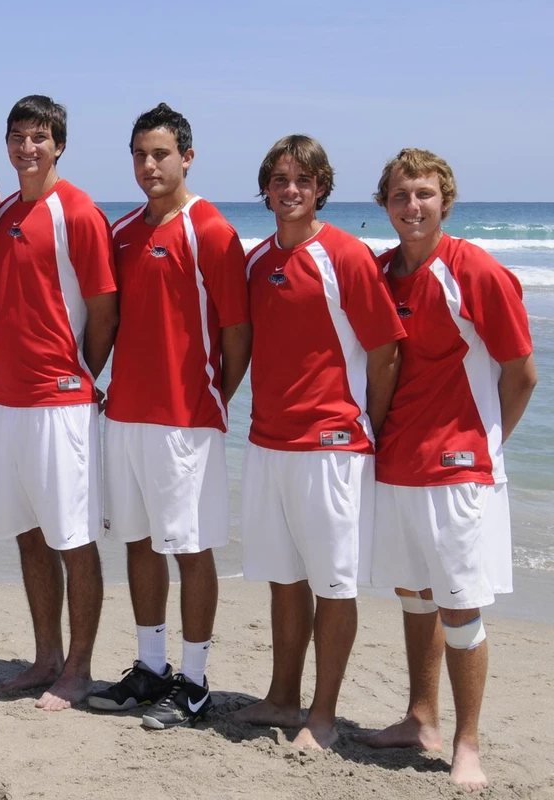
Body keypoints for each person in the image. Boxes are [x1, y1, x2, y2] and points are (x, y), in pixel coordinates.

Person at [359, 149, 537, 791]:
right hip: (396, 464)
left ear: (446, 201)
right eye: (401, 195)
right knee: (415, 597)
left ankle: (467, 744)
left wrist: (484, 446)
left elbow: (522, 375)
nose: (413, 206)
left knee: (460, 609)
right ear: (385, 204)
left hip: (459, 472)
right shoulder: (379, 273)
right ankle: (420, 718)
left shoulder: (475, 271)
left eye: (425, 194)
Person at [233, 135, 404, 748]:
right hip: (268, 443)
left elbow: (386, 353)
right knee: (284, 577)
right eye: (279, 179)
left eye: (302, 180)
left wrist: (366, 429)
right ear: (267, 189)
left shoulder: (346, 256)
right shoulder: (256, 262)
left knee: (333, 583)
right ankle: (283, 698)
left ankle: (323, 716)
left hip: (332, 446)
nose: (290, 190)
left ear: (320, 189)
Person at [88, 104, 251, 729]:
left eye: (160, 153)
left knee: (190, 548)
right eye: (139, 154)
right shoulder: (124, 231)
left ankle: (196, 682)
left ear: (187, 156)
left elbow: (238, 336)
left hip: (186, 421)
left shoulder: (211, 231)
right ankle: (151, 668)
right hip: (125, 414)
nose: (149, 165)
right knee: (137, 541)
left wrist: (211, 403)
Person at [0, 95, 118, 711]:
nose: (27, 148)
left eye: (39, 137)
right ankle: (44, 656)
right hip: (5, 398)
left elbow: (105, 309)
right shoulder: (5, 211)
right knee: (28, 534)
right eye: (17, 137)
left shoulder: (80, 213)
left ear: (58, 144)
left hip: (61, 401)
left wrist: (80, 373)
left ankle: (78, 667)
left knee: (72, 537)